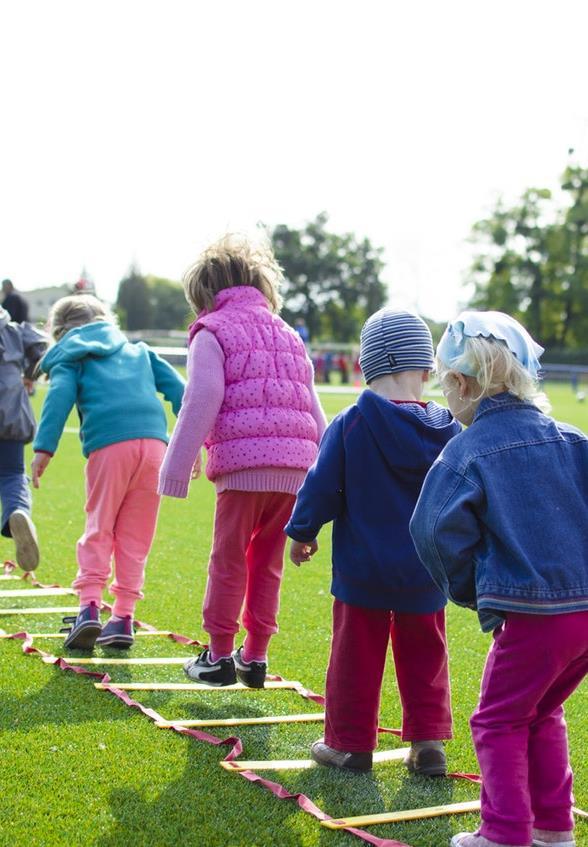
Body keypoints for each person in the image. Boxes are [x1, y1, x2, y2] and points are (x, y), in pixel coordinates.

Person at [409, 311, 588, 847]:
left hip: (533, 618)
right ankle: (554, 829)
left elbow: (432, 530)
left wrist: (469, 589)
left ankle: (506, 834)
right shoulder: (574, 441)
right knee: (541, 711)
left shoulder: (466, 451)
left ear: (462, 384)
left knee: (497, 721)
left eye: (446, 386)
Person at [285, 309, 462, 774]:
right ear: (426, 370)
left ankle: (350, 743)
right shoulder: (450, 430)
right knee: (426, 655)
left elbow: (321, 485)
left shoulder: (351, 423)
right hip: (427, 570)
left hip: (362, 570)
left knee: (355, 657)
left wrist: (303, 532)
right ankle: (428, 744)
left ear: (364, 366)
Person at [158, 233, 327, 688]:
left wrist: (177, 464)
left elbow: (203, 396)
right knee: (267, 562)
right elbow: (314, 408)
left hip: (243, 467)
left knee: (228, 559)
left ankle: (216, 656)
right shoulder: (289, 334)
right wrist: (328, 476)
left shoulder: (211, 331)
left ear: (204, 294)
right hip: (296, 470)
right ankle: (254, 656)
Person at [31, 295, 185, 650]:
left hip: (110, 446)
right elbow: (182, 393)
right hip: (155, 448)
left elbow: (59, 397)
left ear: (60, 331)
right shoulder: (140, 351)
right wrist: (191, 444)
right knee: (136, 536)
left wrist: (44, 449)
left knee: (99, 525)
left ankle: (88, 609)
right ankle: (123, 618)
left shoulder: (73, 357)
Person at [0, 306, 47, 570]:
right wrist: (30, 375)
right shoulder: (14, 330)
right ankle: (17, 513)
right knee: (11, 475)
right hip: (9, 414)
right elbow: (42, 346)